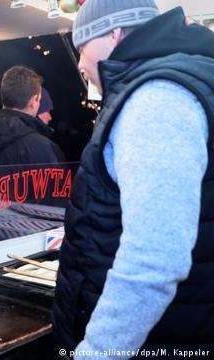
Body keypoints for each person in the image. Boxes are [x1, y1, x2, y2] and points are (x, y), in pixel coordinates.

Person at [53, 0, 214, 356]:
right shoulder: (180, 77)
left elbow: (155, 257)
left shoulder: (156, 99)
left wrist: (97, 351)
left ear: (113, 33)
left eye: (82, 48)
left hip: (163, 338)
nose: (79, 63)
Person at [0, 66, 64, 192]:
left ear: (3, 96)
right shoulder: (43, 147)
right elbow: (54, 203)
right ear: (34, 100)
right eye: (39, 99)